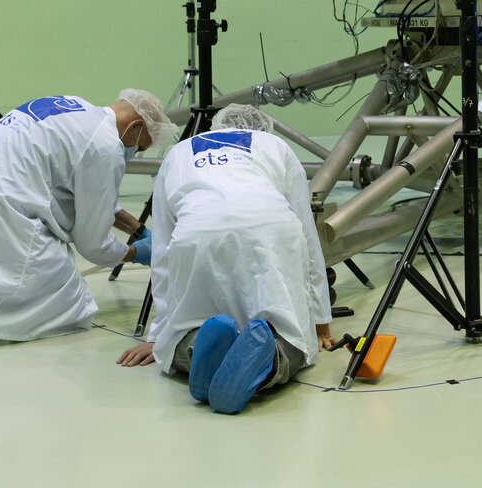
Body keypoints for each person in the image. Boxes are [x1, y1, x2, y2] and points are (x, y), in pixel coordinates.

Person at [115, 103, 334, 413]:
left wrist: (160, 335)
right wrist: (320, 323)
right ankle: (270, 357)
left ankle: (195, 354)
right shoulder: (274, 145)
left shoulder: (180, 152)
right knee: (294, 339)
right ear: (260, 128)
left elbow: (163, 252)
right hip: (268, 229)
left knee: (179, 337)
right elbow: (308, 238)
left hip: (198, 230)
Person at [0, 89, 175, 352]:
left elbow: (89, 196)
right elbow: (93, 246)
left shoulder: (76, 107)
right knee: (72, 305)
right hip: (1, 208)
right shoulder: (107, 146)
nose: (133, 153)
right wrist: (136, 253)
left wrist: (137, 229)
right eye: (139, 147)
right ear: (136, 127)